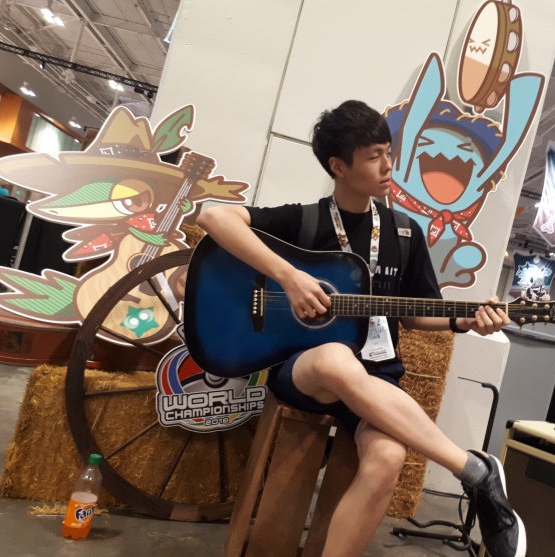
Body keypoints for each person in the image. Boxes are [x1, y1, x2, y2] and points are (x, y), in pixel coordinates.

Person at [196, 100, 525, 557]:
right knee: (336, 358)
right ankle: (472, 470)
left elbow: (416, 313)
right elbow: (212, 217)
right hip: (308, 372)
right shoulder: (306, 220)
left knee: (388, 458)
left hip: (378, 375)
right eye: (374, 156)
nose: (389, 166)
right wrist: (289, 277)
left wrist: (467, 320)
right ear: (339, 166)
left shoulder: (404, 233)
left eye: (389, 152)